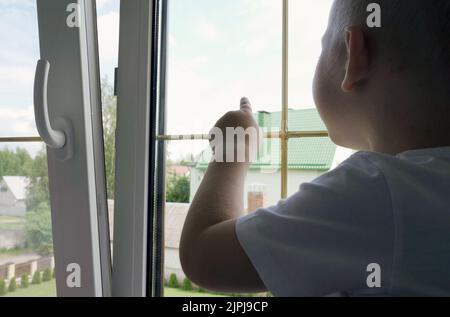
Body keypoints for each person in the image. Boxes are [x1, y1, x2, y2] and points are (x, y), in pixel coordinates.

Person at [180, 0, 450, 296]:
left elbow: (203, 256)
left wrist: (233, 150)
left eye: (323, 47)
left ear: (354, 54)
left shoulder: (379, 192)